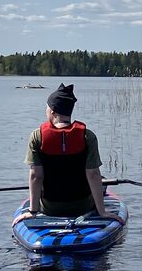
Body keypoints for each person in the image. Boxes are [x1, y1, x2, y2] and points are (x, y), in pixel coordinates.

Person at [25, 83, 110, 218]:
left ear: (52, 111)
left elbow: (36, 176)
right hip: (83, 206)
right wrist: (102, 212)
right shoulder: (88, 136)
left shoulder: (37, 136)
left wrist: (33, 212)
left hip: (49, 207)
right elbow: (93, 175)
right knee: (101, 180)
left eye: (46, 107)